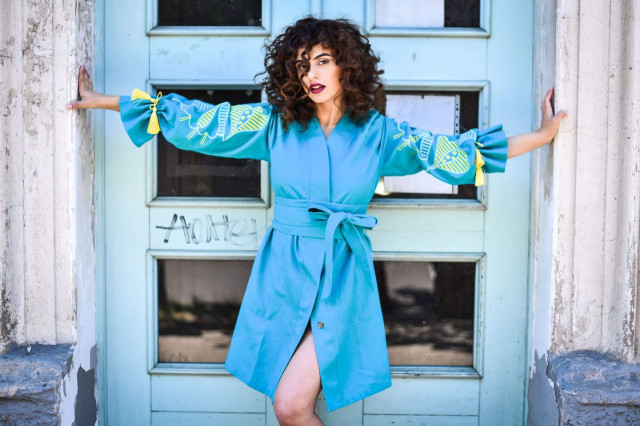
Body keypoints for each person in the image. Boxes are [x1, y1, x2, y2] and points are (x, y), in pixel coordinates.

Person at [68, 16, 567, 426]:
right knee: (288, 403)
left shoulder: (380, 134)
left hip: (341, 273)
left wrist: (541, 137)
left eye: (323, 60)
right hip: (284, 273)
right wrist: (105, 101)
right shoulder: (275, 124)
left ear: (348, 65)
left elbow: (455, 154)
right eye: (303, 64)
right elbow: (201, 122)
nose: (312, 73)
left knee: (290, 406)